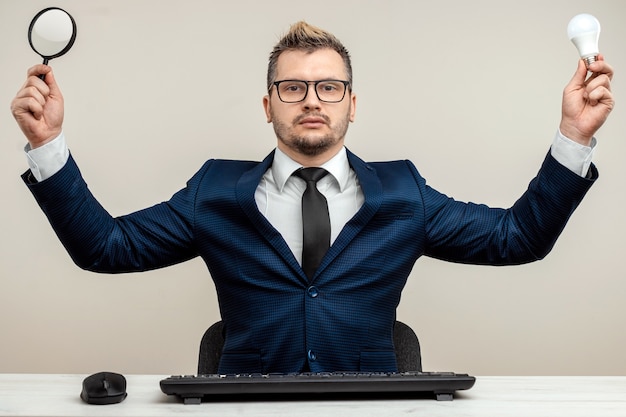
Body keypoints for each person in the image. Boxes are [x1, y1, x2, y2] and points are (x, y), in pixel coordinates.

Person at [10, 21, 614, 374]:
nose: (312, 99)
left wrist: (574, 137)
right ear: (268, 103)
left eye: (329, 86)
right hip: (245, 409)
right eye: (292, 86)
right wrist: (48, 144)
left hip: (373, 410)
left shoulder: (405, 192)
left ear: (352, 103)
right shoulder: (213, 191)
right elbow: (105, 247)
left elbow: (519, 238)